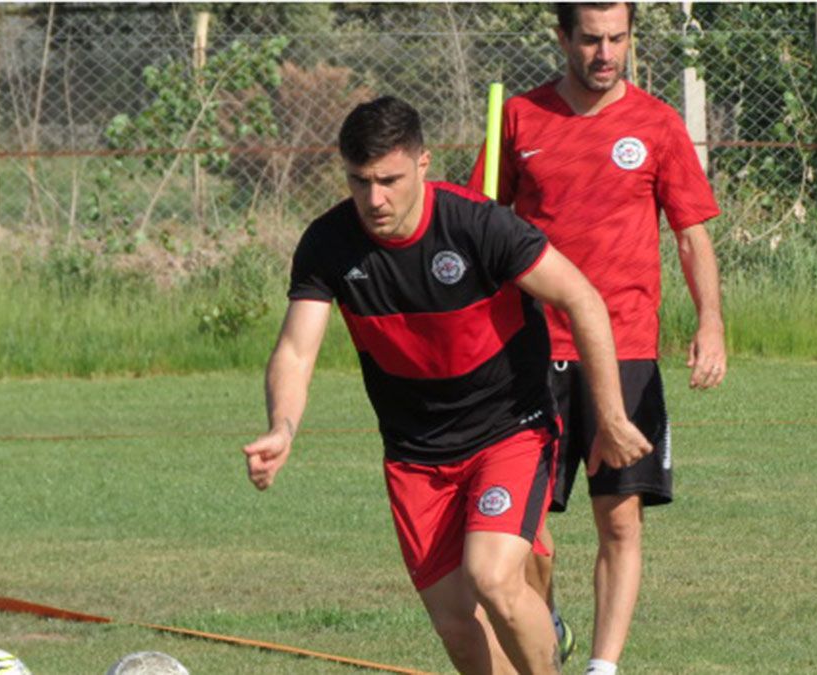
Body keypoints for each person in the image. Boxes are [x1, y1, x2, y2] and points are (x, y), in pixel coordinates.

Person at [242, 95, 651, 675]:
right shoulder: (329, 243)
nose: (375, 199)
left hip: (508, 431)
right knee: (458, 627)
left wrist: (609, 415)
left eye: (389, 180)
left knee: (492, 575)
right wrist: (282, 427)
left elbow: (581, 298)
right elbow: (295, 349)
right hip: (415, 454)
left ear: (424, 163)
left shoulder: (479, 224)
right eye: (360, 182)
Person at [466, 4, 727, 674]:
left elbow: (692, 235)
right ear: (562, 38)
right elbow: (475, 228)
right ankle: (543, 623)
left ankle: (603, 666)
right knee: (522, 534)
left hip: (628, 352)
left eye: (617, 39)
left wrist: (710, 323)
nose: (605, 53)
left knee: (619, 519)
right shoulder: (518, 120)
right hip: (530, 352)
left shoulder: (658, 125)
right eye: (590, 40)